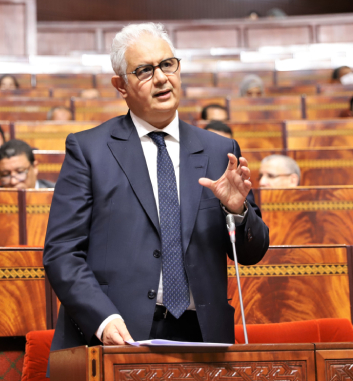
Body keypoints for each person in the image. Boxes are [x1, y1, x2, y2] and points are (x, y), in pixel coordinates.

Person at [43, 22, 269, 357]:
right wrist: (102, 318)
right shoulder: (89, 150)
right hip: (118, 334)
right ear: (121, 85)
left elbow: (251, 253)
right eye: (144, 70)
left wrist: (237, 212)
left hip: (203, 335)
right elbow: (62, 252)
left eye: (167, 64)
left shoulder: (218, 150)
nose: (161, 78)